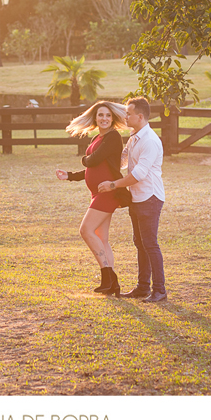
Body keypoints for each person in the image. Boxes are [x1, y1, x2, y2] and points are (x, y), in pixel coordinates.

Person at [97, 96, 167, 303]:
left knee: (150, 244)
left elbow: (139, 174)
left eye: (128, 114)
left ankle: (160, 290)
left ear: (140, 116)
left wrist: (113, 185)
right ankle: (143, 287)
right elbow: (122, 160)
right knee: (140, 242)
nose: (125, 116)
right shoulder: (134, 136)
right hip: (137, 197)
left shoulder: (150, 141)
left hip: (149, 197)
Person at [56, 101, 129, 296]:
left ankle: (108, 276)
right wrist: (70, 175)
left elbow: (93, 160)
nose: (104, 118)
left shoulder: (113, 137)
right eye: (100, 115)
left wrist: (84, 159)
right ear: (95, 118)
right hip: (97, 193)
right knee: (102, 238)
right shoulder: (98, 137)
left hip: (108, 192)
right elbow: (92, 167)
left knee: (86, 230)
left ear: (112, 118)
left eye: (107, 115)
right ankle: (111, 283)